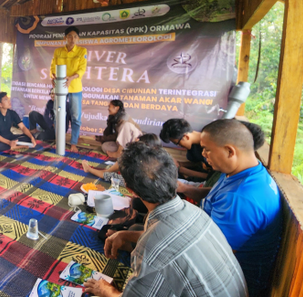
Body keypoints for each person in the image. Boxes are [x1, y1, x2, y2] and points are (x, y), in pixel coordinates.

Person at [83, 142, 247, 297]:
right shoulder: (195, 211)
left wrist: (106, 290)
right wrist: (123, 235)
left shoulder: (150, 249)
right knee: (134, 232)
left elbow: (159, 248)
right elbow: (168, 244)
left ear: (130, 189)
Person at [178, 119, 281, 296]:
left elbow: (211, 254)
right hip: (216, 253)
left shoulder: (241, 198)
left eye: (207, 149)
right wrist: (184, 188)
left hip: (232, 281)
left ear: (229, 151)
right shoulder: (245, 172)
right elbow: (216, 195)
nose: (203, 155)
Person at [50, 26, 87, 153]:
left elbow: (82, 69)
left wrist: (71, 78)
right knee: (58, 114)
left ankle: (73, 143)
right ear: (65, 37)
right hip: (60, 87)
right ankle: (59, 140)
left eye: (75, 36)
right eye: (70, 36)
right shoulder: (58, 51)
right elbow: (52, 67)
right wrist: (52, 77)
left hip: (75, 88)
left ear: (78, 38)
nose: (72, 39)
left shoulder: (82, 51)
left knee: (76, 117)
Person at [82, 133, 161, 187]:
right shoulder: (159, 157)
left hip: (139, 185)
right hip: (149, 185)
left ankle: (88, 169)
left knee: (110, 175)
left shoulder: (139, 157)